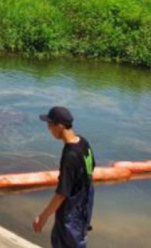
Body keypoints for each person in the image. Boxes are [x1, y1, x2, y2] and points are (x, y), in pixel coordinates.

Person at [34, 106, 95, 248]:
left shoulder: (69, 155)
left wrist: (43, 217)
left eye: (50, 125)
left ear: (60, 126)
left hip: (70, 213)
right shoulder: (84, 143)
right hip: (84, 207)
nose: (48, 129)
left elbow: (61, 194)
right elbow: (91, 169)